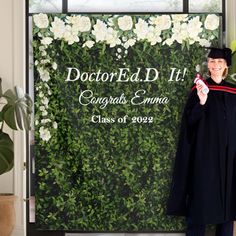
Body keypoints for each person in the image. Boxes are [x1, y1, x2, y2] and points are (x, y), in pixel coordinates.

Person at [166, 47, 236, 236]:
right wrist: (202, 102)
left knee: (228, 203)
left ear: (226, 66)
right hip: (204, 155)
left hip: (230, 158)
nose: (215, 65)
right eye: (212, 61)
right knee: (201, 199)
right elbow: (190, 121)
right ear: (208, 64)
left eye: (220, 62)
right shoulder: (200, 90)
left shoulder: (233, 92)